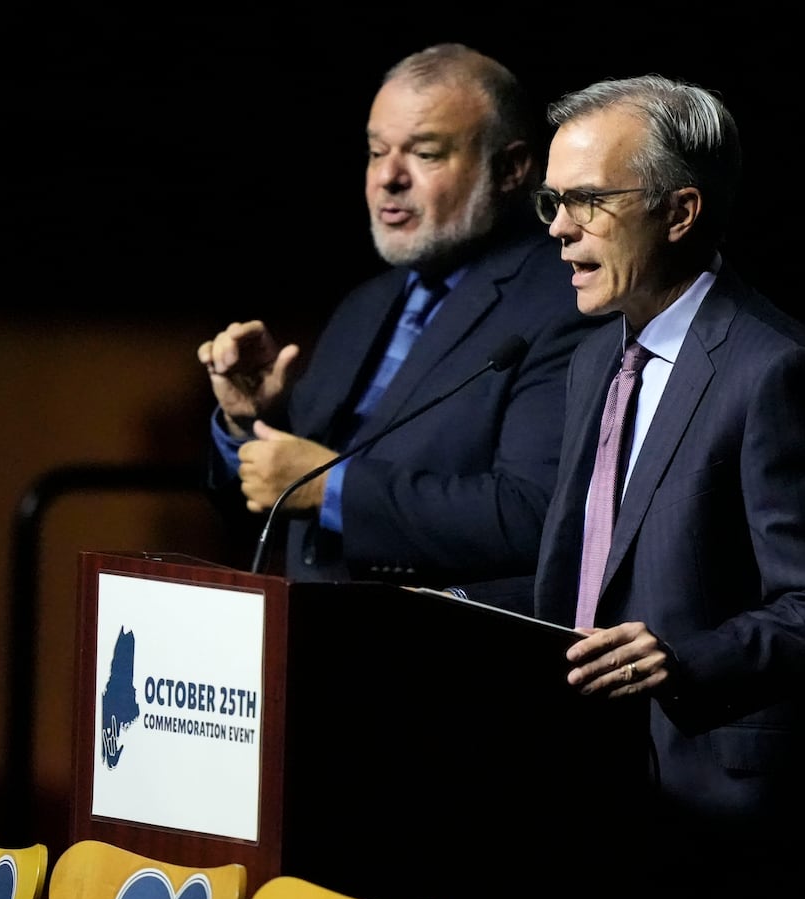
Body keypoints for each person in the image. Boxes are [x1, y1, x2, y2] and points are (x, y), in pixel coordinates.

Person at [526, 74, 805, 899]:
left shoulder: (773, 369)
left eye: (588, 200)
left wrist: (683, 657)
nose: (560, 229)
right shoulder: (593, 358)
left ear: (681, 210)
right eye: (552, 201)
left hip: (717, 823)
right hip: (587, 797)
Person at [197, 43, 594, 586]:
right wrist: (249, 422)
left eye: (425, 154)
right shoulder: (365, 305)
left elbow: (532, 513)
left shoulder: (563, 301)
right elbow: (270, 498)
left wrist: (328, 489)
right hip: (304, 637)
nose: (389, 177)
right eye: (376, 151)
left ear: (510, 169)